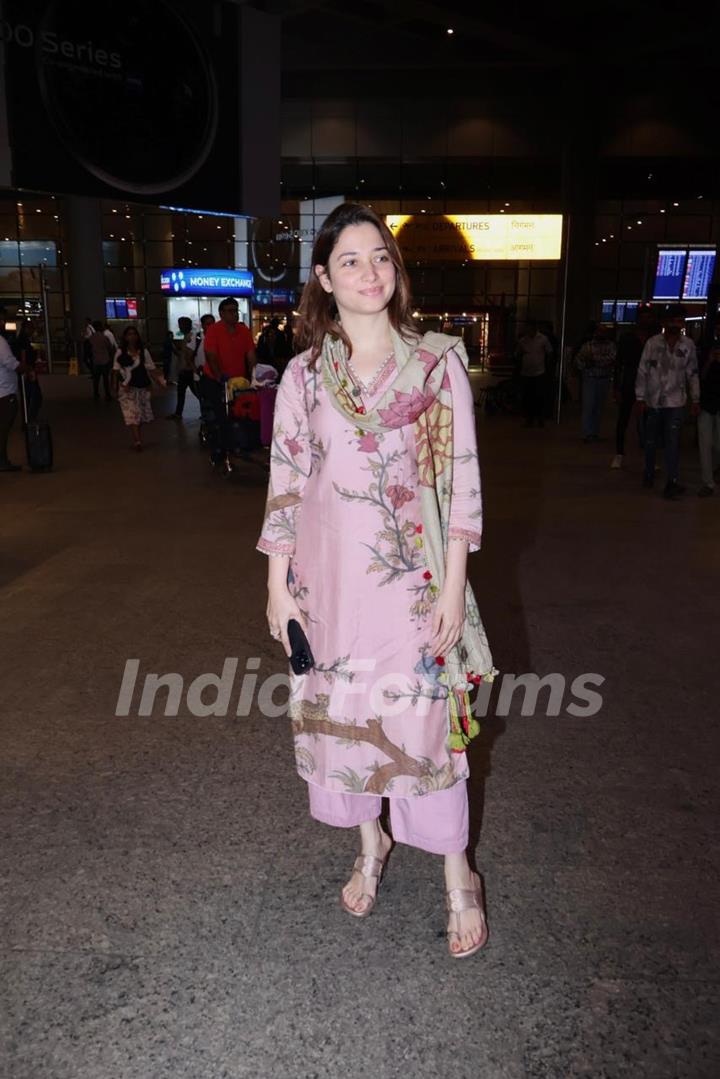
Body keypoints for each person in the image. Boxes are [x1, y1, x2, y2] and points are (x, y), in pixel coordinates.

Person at [257, 202, 495, 960]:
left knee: (426, 728)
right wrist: (277, 585)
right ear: (324, 279)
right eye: (350, 260)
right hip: (328, 590)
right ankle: (371, 844)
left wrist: (454, 586)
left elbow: (461, 483)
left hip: (413, 587)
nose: (369, 271)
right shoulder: (303, 376)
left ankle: (459, 870)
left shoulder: (435, 366)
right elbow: (286, 482)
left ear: (396, 273)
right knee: (349, 720)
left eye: (380, 257)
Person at [635, 304, 700, 499]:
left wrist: (696, 399)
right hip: (653, 402)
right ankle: (648, 473)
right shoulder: (652, 344)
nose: (676, 324)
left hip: (676, 402)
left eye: (680, 321)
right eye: (673, 320)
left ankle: (672, 481)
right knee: (650, 440)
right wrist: (640, 397)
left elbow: (693, 374)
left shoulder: (688, 345)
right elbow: (642, 371)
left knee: (672, 442)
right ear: (665, 322)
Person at [200, 298, 257, 466]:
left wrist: (255, 376)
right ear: (222, 314)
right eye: (231, 311)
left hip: (238, 382)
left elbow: (251, 355)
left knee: (241, 414)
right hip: (216, 380)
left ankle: (240, 444)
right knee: (220, 417)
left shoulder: (243, 330)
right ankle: (219, 450)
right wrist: (219, 376)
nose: (235, 313)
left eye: (236, 310)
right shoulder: (214, 331)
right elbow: (211, 355)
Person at [610, 309, 657, 469]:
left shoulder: (655, 340)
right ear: (637, 320)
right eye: (643, 317)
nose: (646, 320)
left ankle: (649, 457)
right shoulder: (627, 338)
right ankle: (619, 453)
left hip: (650, 385)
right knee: (623, 419)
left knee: (649, 421)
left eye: (648, 318)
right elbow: (619, 363)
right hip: (629, 383)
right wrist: (616, 387)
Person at [113, 325, 165, 451]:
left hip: (141, 386)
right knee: (133, 413)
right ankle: (137, 441)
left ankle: (137, 437)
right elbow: (115, 370)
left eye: (134, 334)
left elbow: (151, 368)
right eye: (129, 334)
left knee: (139, 415)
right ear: (125, 337)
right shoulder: (120, 352)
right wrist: (114, 386)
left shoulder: (143, 352)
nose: (132, 337)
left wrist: (159, 381)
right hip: (127, 388)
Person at [575, 323, 616, 442]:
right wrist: (586, 364)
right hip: (590, 379)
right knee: (589, 406)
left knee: (599, 407)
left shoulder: (611, 346)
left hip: (604, 379)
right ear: (595, 332)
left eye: (604, 332)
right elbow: (579, 361)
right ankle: (588, 433)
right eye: (599, 331)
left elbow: (612, 359)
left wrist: (594, 360)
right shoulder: (587, 346)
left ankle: (595, 432)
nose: (601, 334)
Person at [0, 311, 29, 471]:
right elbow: (10, 362)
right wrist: (25, 369)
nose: (3, 323)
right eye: (1, 320)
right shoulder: (0, 342)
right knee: (3, 428)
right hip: (4, 392)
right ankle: (1, 461)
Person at [514, 319, 551, 427]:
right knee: (527, 397)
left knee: (539, 396)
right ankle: (529, 418)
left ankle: (540, 418)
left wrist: (547, 368)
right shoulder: (523, 341)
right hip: (526, 373)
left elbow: (549, 352)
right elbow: (517, 354)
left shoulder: (543, 339)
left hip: (539, 372)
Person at [166, 316, 200, 421]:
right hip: (186, 370)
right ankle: (178, 413)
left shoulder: (190, 337)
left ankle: (178, 413)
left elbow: (188, 355)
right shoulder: (187, 336)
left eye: (181, 324)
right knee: (187, 392)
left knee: (192, 392)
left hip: (187, 370)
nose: (179, 327)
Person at [697, 345, 720, 497]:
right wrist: (710, 361)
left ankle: (715, 469)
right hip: (706, 404)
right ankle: (708, 483)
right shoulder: (706, 349)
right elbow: (699, 376)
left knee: (718, 444)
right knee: (705, 444)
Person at [12, 318, 43, 422]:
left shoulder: (21, 339)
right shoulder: (24, 340)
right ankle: (29, 419)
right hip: (27, 370)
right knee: (33, 396)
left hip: (26, 370)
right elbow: (23, 356)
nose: (33, 330)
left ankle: (28, 419)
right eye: (31, 328)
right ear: (26, 329)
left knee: (30, 396)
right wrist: (26, 371)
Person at [89, 321, 114, 400]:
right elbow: (109, 347)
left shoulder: (91, 338)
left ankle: (96, 394)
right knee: (105, 379)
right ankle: (107, 394)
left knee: (96, 379)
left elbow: (90, 348)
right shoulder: (104, 337)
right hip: (105, 360)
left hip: (96, 361)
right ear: (100, 327)